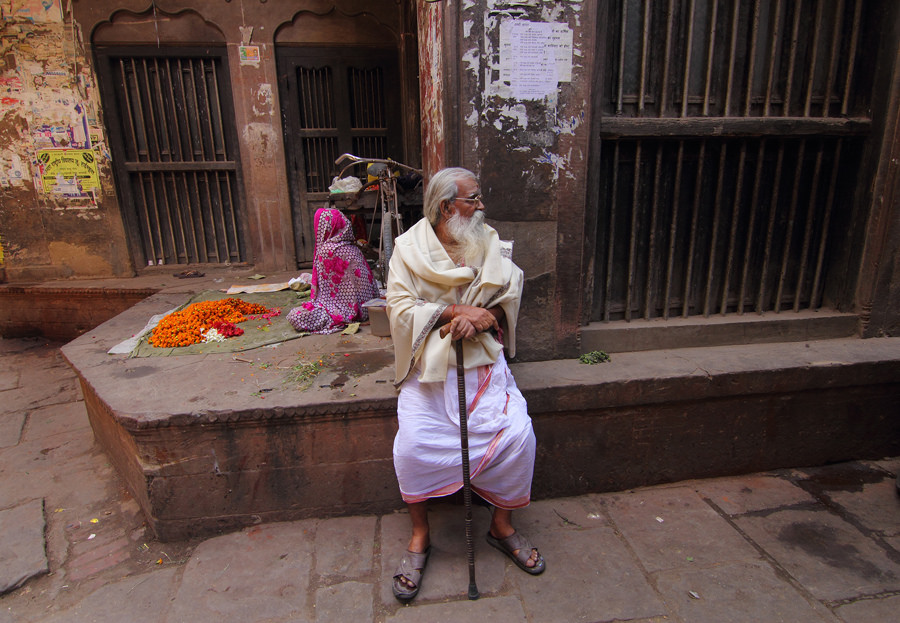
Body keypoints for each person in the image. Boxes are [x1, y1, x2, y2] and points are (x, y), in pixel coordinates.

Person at [385, 167, 544, 602]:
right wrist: (454, 313)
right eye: (472, 199)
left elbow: (509, 289)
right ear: (445, 207)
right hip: (430, 371)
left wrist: (487, 317)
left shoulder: (486, 238)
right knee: (413, 445)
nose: (481, 206)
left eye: (478, 198)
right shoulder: (408, 249)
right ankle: (421, 536)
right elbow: (399, 308)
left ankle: (501, 526)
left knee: (518, 436)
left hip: (482, 364)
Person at [287, 208, 379, 334]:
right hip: (368, 309)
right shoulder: (353, 248)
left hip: (343, 311)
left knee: (295, 316)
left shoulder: (328, 250)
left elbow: (326, 295)